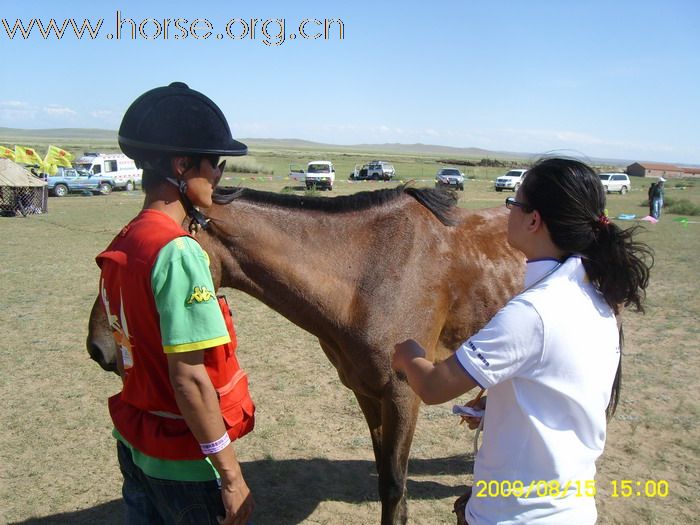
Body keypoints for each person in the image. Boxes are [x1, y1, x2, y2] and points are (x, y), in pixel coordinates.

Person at [391, 157, 652, 525]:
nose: (507, 210)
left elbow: (433, 387)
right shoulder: (598, 293)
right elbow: (565, 383)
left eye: (514, 202)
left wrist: (408, 355)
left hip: (517, 513)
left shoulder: (532, 312)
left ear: (534, 220)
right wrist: (502, 403)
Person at [96, 82, 256, 525]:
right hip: (184, 464)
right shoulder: (179, 251)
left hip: (136, 445)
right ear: (182, 165)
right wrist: (231, 475)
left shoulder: (127, 238)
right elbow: (189, 380)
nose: (220, 175)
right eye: (215, 163)